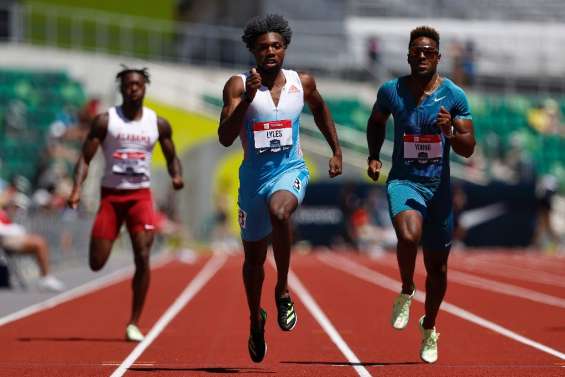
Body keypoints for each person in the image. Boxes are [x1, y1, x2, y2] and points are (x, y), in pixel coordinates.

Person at [218, 14, 342, 363]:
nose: (270, 51)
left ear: (285, 47)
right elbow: (225, 137)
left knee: (281, 210)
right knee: (253, 261)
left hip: (290, 170)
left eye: (276, 45)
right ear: (253, 51)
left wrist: (336, 150)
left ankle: (283, 288)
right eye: (263, 47)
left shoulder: (300, 82)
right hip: (253, 181)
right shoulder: (238, 85)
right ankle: (256, 319)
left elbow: (321, 110)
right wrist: (247, 100)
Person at [366, 26, 476, 363]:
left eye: (429, 51)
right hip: (404, 181)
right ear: (409, 55)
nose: (423, 56)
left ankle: (429, 327)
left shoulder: (454, 96)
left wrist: (449, 132)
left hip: (438, 188)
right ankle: (406, 289)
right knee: (408, 236)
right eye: (417, 51)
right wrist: (374, 155)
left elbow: (469, 148)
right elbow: (376, 120)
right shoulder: (392, 90)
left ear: (439, 57)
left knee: (438, 270)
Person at [67, 67, 184, 342]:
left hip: (140, 197)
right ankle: (113, 230)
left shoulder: (158, 123)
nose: (133, 88)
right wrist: (76, 189)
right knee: (96, 263)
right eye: (128, 84)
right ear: (121, 88)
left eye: (138, 84)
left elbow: (171, 156)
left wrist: (176, 175)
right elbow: (85, 157)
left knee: (143, 256)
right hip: (111, 197)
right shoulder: (106, 121)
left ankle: (134, 322)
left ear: (145, 88)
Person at [0, 199, 65, 292]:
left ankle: (45, 276)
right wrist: (17, 231)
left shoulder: (6, 215)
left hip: (12, 238)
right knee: (39, 243)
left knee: (40, 242)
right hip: (6, 241)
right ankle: (45, 277)